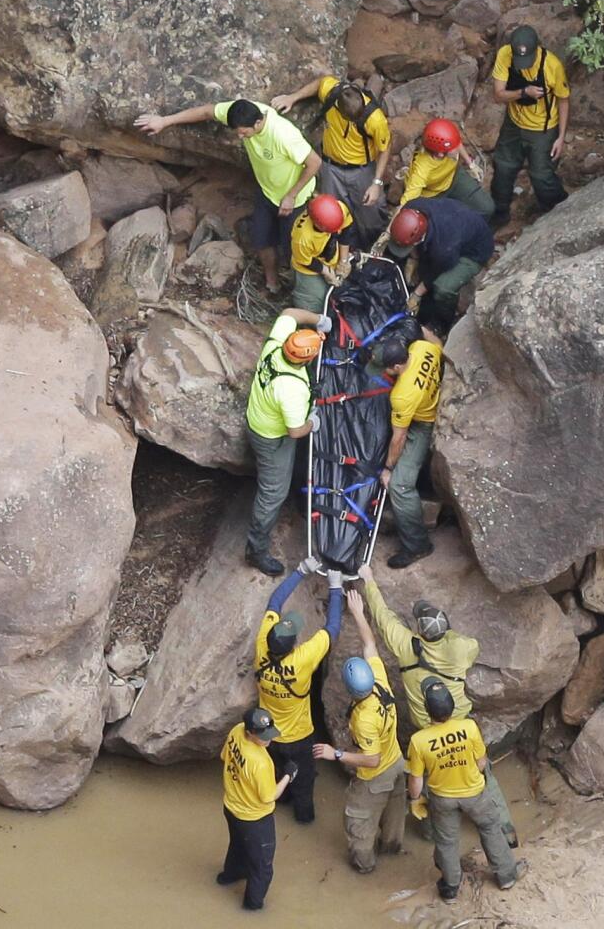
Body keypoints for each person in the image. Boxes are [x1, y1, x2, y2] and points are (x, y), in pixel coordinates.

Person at [357, 563, 518, 846]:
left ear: (419, 630)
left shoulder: (407, 646)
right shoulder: (459, 648)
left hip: (428, 729)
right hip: (461, 724)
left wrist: (368, 580)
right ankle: (504, 829)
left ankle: (431, 831)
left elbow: (382, 618)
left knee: (431, 778)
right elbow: (473, 646)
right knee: (483, 774)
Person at [135, 99, 322, 293]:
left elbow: (314, 163)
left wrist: (291, 196)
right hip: (268, 192)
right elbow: (206, 111)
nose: (240, 137)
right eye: (238, 132)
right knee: (262, 239)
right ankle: (272, 284)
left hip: (296, 199)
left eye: (244, 132)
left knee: (294, 247)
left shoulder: (283, 134)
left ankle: (300, 291)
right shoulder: (241, 110)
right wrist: (164, 121)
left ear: (258, 123)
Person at [312, 589, 407, 874]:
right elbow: (370, 644)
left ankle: (365, 869)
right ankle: (393, 852)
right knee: (393, 818)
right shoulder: (379, 681)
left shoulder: (365, 718)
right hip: (398, 763)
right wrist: (357, 612)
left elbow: (371, 759)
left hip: (375, 775)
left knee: (359, 825)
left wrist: (336, 753)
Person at [407, 678, 519, 902]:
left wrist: (414, 799)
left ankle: (450, 889)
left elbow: (416, 779)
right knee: (490, 829)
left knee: (447, 842)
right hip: (474, 794)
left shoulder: (419, 740)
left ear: (427, 710)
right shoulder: (468, 727)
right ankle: (506, 876)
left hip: (443, 798)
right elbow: (480, 762)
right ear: (452, 707)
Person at [255, 559, 344, 824]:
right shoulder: (301, 660)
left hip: (269, 734)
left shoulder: (261, 648)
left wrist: (299, 571)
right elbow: (332, 628)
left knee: (278, 773)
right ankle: (304, 820)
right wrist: (335, 587)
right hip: (300, 737)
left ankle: (281, 798)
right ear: (293, 644)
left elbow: (274, 603)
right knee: (304, 787)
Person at [244, 307, 332, 575]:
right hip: (273, 438)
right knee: (272, 494)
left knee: (293, 466)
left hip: (259, 417)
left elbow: (289, 313)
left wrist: (319, 321)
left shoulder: (276, 344)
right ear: (305, 360)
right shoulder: (291, 388)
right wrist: (312, 422)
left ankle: (299, 496)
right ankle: (255, 550)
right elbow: (296, 431)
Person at [271, 76, 391, 243]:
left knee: (371, 215)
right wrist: (292, 98)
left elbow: (385, 149)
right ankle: (340, 251)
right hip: (330, 168)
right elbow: (320, 83)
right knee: (332, 215)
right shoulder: (333, 92)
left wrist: (376, 183)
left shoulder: (375, 119)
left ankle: (373, 250)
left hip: (361, 170)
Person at [374, 327, 443, 568]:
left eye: (385, 367)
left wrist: (388, 469)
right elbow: (437, 343)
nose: (383, 371)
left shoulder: (402, 395)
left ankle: (417, 546)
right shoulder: (420, 348)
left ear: (396, 367)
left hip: (423, 423)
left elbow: (399, 438)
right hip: (428, 398)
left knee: (400, 486)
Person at [489, 25, 569, 226]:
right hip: (514, 123)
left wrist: (560, 137)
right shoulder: (505, 55)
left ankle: (559, 210)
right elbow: (498, 95)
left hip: (543, 128)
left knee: (541, 175)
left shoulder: (552, 66)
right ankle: (499, 212)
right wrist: (524, 92)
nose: (523, 65)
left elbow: (563, 100)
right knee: (503, 167)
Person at [219, 706, 295, 910]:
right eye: (263, 736)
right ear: (250, 733)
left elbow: (224, 757)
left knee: (238, 846)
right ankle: (252, 908)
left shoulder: (236, 731)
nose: (268, 739)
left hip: (231, 807)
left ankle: (228, 877)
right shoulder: (261, 762)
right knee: (262, 869)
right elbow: (269, 797)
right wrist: (288, 775)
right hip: (255, 820)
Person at [386, 201, 494, 332]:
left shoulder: (444, 248)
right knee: (422, 267)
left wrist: (416, 295)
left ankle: (442, 324)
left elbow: (436, 271)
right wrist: (413, 259)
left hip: (475, 251)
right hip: (458, 225)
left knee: (443, 288)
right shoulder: (412, 208)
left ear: (420, 238)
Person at [400, 119, 493, 217]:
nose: (457, 148)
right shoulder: (422, 169)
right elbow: (406, 204)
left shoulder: (448, 146)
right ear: (440, 154)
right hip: (432, 195)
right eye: (453, 147)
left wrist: (471, 164)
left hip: (453, 177)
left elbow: (456, 142)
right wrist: (389, 231)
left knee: (486, 208)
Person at [290, 194, 355, 313]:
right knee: (316, 304)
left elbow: (346, 231)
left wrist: (343, 261)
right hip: (308, 266)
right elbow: (306, 261)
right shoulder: (302, 238)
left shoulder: (339, 209)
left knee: (340, 291)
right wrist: (327, 272)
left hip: (330, 253)